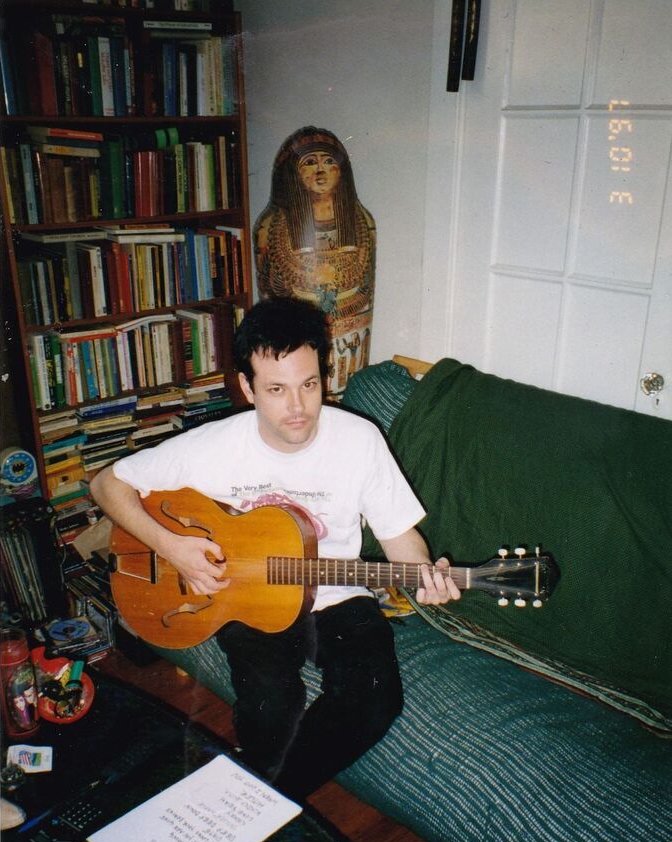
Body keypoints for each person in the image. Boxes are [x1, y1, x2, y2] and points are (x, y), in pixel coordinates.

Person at [90, 297, 459, 801]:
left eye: (309, 385)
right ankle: (261, 800)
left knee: (375, 699)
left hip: (337, 594)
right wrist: (171, 547)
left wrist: (425, 575)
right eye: (276, 389)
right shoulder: (214, 445)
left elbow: (399, 538)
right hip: (245, 594)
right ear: (247, 388)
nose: (298, 408)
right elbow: (106, 484)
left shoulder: (359, 440)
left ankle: (260, 801)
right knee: (270, 706)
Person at [253, 126, 376, 396]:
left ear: (342, 171)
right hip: (296, 337)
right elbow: (272, 297)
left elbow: (365, 291)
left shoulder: (362, 222)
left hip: (350, 336)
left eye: (329, 161)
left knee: (346, 388)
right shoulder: (271, 226)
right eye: (309, 163)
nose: (320, 171)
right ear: (291, 173)